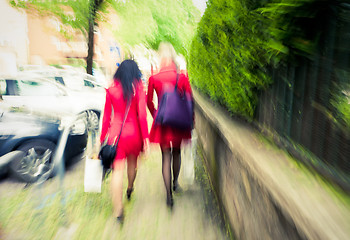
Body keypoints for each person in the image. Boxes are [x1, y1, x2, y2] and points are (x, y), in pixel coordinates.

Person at [100, 59, 149, 223]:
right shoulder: (138, 87)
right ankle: (130, 188)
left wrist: (102, 140)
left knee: (117, 171)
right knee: (133, 164)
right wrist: (146, 139)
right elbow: (142, 115)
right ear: (135, 72)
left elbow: (106, 117)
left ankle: (118, 211)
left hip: (116, 135)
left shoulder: (111, 88)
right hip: (134, 134)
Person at [146, 42, 193, 208]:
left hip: (163, 121)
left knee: (165, 156)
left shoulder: (154, 78)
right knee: (177, 153)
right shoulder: (182, 77)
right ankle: (175, 183)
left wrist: (156, 114)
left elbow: (149, 101)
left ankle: (168, 196)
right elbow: (189, 101)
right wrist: (191, 121)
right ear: (172, 57)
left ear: (161, 57)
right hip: (179, 122)